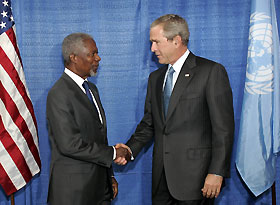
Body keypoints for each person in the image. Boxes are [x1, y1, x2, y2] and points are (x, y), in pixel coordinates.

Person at [116, 14, 234, 204]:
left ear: (177, 40)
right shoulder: (155, 78)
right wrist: (130, 149)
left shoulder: (211, 72)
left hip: (197, 180)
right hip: (161, 181)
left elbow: (223, 129)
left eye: (156, 42)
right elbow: (150, 123)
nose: (152, 49)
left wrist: (216, 172)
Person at [46, 33, 130, 205]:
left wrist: (109, 176)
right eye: (92, 54)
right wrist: (113, 153)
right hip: (74, 194)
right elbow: (69, 145)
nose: (98, 58)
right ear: (74, 57)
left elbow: (99, 137)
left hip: (100, 190)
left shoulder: (91, 89)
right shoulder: (59, 94)